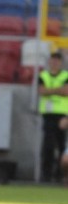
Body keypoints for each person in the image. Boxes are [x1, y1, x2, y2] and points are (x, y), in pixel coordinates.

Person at [38, 51, 68, 183]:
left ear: (61, 62)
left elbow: (66, 91)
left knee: (62, 146)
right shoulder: (43, 75)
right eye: (53, 60)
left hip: (62, 116)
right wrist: (58, 90)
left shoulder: (65, 75)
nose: (55, 62)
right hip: (48, 116)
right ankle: (46, 174)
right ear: (49, 61)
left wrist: (49, 91)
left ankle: (61, 175)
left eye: (57, 60)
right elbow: (41, 91)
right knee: (48, 146)